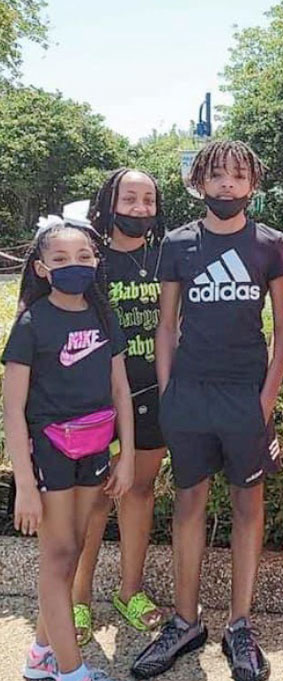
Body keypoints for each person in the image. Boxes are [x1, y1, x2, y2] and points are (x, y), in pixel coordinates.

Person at [132, 140, 283, 681]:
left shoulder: (270, 244)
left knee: (249, 505)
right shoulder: (178, 243)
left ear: (253, 184)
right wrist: (168, 390)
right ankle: (184, 622)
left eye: (239, 176)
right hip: (190, 397)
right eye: (218, 176)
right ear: (199, 181)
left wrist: (266, 401)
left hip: (243, 395)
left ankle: (240, 625)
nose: (228, 185)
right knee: (188, 503)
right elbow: (165, 324)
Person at [3, 217, 140, 681]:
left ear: (96, 263)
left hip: (97, 449)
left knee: (76, 548)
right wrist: (24, 484)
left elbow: (121, 389)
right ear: (41, 268)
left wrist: (126, 457)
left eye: (83, 257)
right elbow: (13, 409)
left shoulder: (104, 317)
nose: (73, 266)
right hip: (52, 456)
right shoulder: (32, 323)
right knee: (58, 560)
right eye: (59, 259)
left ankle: (43, 652)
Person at [70, 169, 170, 646]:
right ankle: (78, 597)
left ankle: (130, 591)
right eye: (129, 198)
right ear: (109, 201)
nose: (139, 207)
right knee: (90, 497)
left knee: (140, 490)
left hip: (151, 394)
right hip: (94, 397)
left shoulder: (168, 255)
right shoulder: (89, 259)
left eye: (148, 199)